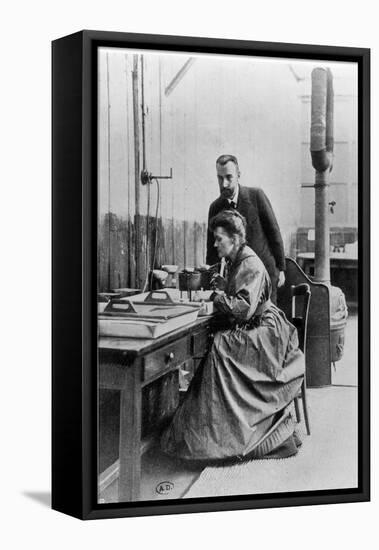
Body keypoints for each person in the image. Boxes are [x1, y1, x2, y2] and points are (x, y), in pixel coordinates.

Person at [161, 210, 305, 463]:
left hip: (268, 332)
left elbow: (242, 309)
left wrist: (216, 297)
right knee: (220, 342)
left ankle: (221, 437)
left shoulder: (249, 263)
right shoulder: (237, 259)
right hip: (258, 325)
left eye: (219, 239)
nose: (215, 244)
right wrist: (220, 288)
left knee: (221, 346)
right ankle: (208, 428)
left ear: (236, 238)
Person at [206, 154, 286, 304]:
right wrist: (211, 278)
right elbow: (212, 250)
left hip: (265, 272)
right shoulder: (215, 207)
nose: (224, 184)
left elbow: (273, 232)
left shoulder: (256, 196)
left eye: (229, 177)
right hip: (237, 277)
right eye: (220, 178)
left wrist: (281, 269)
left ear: (238, 175)